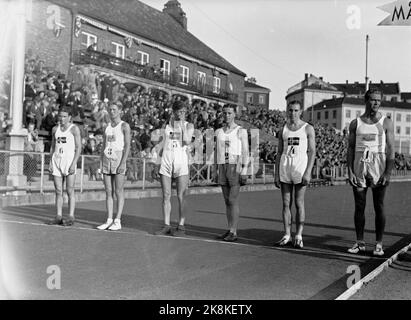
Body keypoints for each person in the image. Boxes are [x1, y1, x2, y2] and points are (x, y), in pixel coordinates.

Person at [347, 89, 394, 256]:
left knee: (378, 205)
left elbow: (390, 150)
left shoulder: (386, 122)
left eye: (379, 101)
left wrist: (387, 173)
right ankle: (360, 242)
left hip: (378, 165)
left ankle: (379, 244)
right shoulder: (355, 123)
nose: (376, 103)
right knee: (359, 206)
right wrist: (350, 171)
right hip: (360, 164)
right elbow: (351, 148)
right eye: (373, 100)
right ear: (366, 100)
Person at [274, 101, 315, 248]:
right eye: (290, 110)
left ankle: (298, 235)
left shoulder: (307, 128)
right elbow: (279, 152)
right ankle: (287, 235)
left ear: (301, 111)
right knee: (286, 204)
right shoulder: (283, 129)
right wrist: (276, 174)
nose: (293, 113)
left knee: (299, 203)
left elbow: (312, 151)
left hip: (300, 169)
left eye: (296, 110)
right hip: (285, 168)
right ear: (287, 111)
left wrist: (308, 171)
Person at [155, 100, 194, 236]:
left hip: (181, 162)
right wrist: (157, 163)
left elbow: (187, 141)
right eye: (180, 111)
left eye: (184, 112)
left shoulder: (189, 125)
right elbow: (160, 146)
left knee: (181, 195)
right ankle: (166, 224)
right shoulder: (166, 126)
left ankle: (181, 225)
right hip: (166, 161)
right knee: (166, 195)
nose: (182, 114)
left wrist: (181, 125)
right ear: (174, 111)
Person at [215, 104, 249, 242]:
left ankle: (234, 232)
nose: (226, 116)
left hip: (235, 166)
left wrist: (244, 169)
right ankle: (229, 229)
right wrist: (215, 169)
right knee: (226, 201)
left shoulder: (241, 131)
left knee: (232, 200)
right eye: (224, 113)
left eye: (229, 113)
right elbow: (217, 151)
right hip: (223, 165)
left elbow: (246, 152)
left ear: (235, 114)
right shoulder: (219, 132)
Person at [97, 103, 131, 231]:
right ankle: (109, 219)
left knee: (118, 191)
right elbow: (103, 146)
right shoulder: (107, 127)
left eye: (114, 109)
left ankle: (118, 220)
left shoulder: (124, 126)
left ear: (120, 111)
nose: (112, 112)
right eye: (110, 109)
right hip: (107, 159)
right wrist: (101, 162)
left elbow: (127, 145)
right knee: (108, 191)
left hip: (118, 159)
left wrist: (123, 162)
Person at [46, 107, 82, 226]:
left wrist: (74, 163)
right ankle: (58, 215)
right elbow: (52, 146)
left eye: (64, 116)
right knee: (58, 190)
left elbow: (78, 148)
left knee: (70, 190)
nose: (61, 118)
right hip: (57, 160)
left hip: (69, 161)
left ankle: (71, 216)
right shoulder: (55, 129)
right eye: (60, 116)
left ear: (69, 117)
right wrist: (51, 161)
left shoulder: (74, 129)